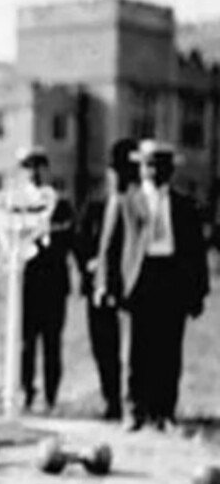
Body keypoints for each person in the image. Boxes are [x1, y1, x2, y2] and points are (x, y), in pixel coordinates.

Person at [98, 140, 208, 432]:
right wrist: (105, 285)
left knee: (168, 350)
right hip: (138, 281)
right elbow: (110, 247)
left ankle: (164, 412)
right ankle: (134, 410)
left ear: (171, 170)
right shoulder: (126, 201)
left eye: (161, 165)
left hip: (171, 279)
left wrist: (198, 292)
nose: (154, 170)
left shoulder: (185, 205)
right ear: (140, 168)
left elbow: (196, 252)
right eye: (148, 164)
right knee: (135, 351)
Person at [74, 138, 138, 422]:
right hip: (97, 288)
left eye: (126, 172)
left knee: (130, 350)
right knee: (103, 347)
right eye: (116, 172)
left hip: (127, 290)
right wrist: (89, 265)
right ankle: (110, 401)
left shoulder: (137, 206)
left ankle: (131, 402)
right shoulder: (96, 204)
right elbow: (80, 239)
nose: (119, 178)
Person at [13, 147, 75, 414]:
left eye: (39, 165)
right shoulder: (17, 202)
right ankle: (26, 392)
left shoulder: (60, 203)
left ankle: (51, 397)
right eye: (28, 166)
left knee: (52, 343)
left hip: (53, 281)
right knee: (26, 343)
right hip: (26, 281)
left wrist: (49, 232)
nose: (34, 171)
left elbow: (69, 238)